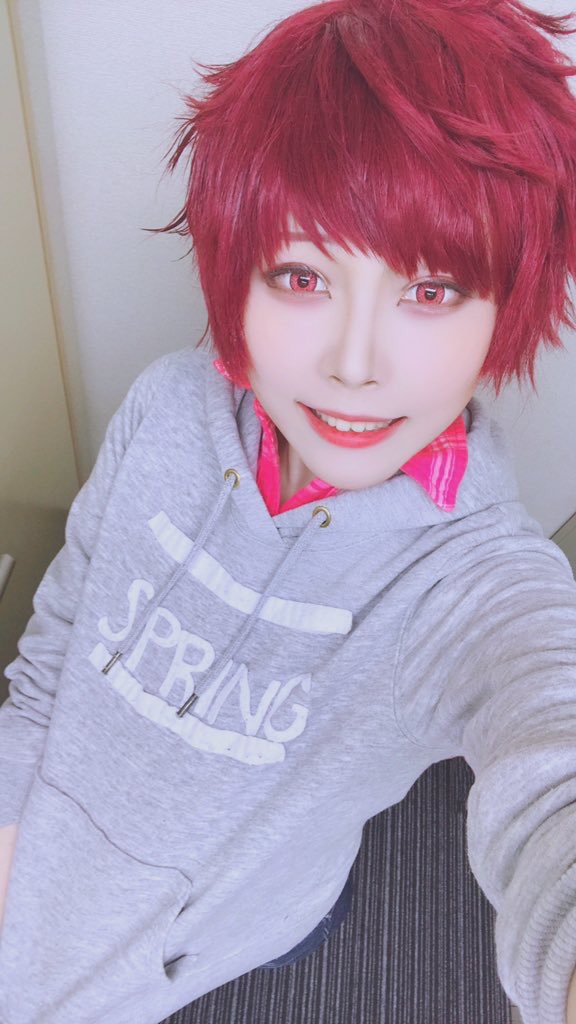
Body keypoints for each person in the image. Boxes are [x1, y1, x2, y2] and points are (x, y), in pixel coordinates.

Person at [1, 0, 576, 1021]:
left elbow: (551, 758)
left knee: (289, 918)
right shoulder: (165, 404)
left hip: (206, 934)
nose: (354, 364)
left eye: (431, 290)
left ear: (505, 308)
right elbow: (62, 630)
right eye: (302, 275)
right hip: (45, 861)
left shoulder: (476, 582)